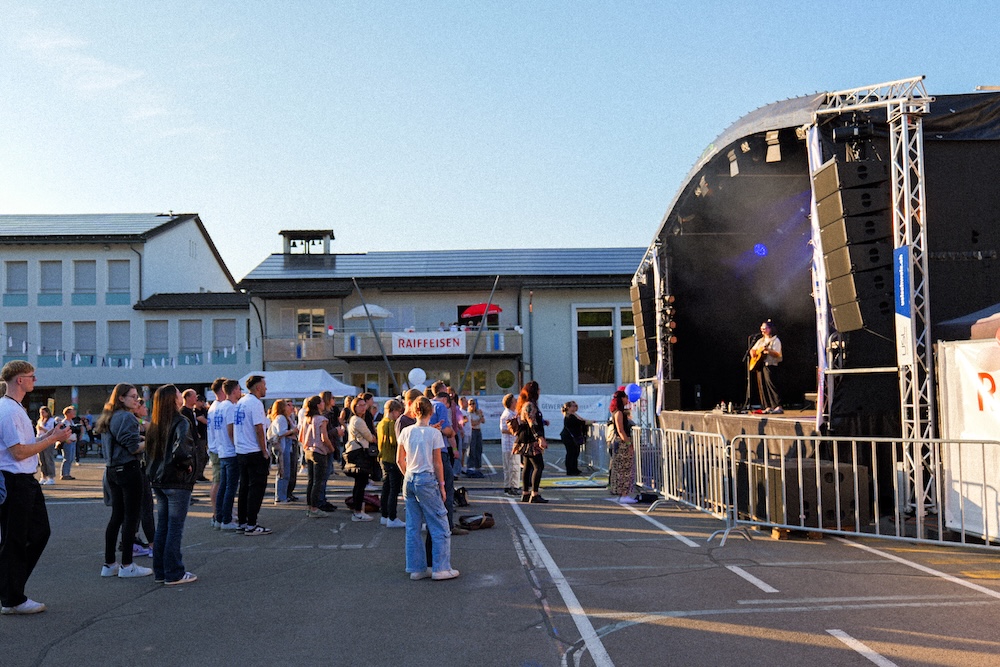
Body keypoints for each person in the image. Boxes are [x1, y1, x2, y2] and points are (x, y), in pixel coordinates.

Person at [0, 361, 71, 614]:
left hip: (24, 479)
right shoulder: (8, 410)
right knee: (16, 539)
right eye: (31, 376)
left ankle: (10, 590)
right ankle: (12, 597)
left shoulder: (15, 407)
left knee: (37, 533)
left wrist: (48, 436)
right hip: (14, 480)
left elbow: (24, 445)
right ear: (19, 379)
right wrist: (52, 439)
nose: (35, 380)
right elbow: (18, 452)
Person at [397, 397, 458, 581]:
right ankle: (441, 568)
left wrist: (408, 474)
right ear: (431, 412)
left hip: (410, 478)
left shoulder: (406, 431)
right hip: (427, 478)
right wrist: (442, 485)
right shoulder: (434, 434)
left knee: (413, 527)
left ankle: (417, 569)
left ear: (414, 412)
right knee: (440, 523)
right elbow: (438, 463)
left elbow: (399, 459)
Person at [95, 383, 153, 578]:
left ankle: (109, 563)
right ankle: (127, 565)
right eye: (133, 396)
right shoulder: (126, 417)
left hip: (112, 470)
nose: (137, 400)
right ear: (121, 397)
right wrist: (152, 441)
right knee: (131, 517)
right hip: (128, 469)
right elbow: (133, 447)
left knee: (117, 517)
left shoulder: (109, 416)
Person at [145, 384, 197, 585]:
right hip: (176, 479)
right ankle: (174, 572)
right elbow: (182, 450)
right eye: (177, 393)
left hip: (158, 479)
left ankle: (161, 571)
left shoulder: (155, 423)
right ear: (173, 399)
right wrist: (187, 465)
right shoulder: (181, 421)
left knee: (163, 527)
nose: (180, 395)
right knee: (174, 528)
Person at [233, 375, 272, 536]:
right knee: (256, 489)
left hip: (241, 451)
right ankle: (251, 524)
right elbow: (259, 429)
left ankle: (242, 522)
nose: (266, 388)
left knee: (244, 488)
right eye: (264, 385)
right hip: (254, 451)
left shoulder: (241, 402)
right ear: (258, 387)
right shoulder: (255, 403)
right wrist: (264, 451)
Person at [300, 395, 335, 518]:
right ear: (318, 405)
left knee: (311, 481)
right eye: (321, 402)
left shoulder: (307, 418)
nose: (323, 404)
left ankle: (310, 507)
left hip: (308, 450)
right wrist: (331, 448)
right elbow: (324, 437)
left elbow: (301, 436)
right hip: (319, 451)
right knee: (318, 481)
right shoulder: (321, 419)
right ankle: (315, 508)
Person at [213, 379, 241, 531]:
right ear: (234, 390)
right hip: (230, 451)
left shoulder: (220, 406)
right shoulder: (230, 407)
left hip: (222, 450)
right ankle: (227, 519)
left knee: (223, 486)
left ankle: (219, 518)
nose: (240, 392)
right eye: (239, 389)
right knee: (230, 487)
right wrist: (237, 446)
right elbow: (231, 430)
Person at [515, 381, 549, 503]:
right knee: (538, 466)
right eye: (538, 389)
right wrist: (540, 438)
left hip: (525, 439)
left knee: (528, 466)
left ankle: (525, 493)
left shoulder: (525, 404)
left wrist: (543, 422)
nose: (539, 391)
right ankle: (534, 494)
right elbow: (531, 422)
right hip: (531, 440)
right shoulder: (530, 405)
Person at [345, 396, 375, 521]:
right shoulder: (358, 420)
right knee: (360, 483)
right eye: (360, 405)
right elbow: (369, 437)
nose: (363, 408)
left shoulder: (354, 419)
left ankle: (358, 509)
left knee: (359, 483)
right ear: (354, 407)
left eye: (364, 405)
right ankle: (358, 511)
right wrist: (374, 438)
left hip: (355, 451)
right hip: (359, 452)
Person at [377, 399, 404, 527]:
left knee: (386, 488)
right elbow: (394, 441)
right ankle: (392, 517)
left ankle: (384, 515)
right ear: (393, 411)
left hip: (383, 458)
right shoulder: (392, 423)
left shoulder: (381, 423)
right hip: (392, 459)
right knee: (394, 489)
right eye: (398, 412)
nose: (399, 414)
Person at [607, 389, 636, 504]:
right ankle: (624, 493)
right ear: (621, 399)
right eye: (625, 397)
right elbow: (620, 430)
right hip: (622, 443)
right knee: (624, 468)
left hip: (620, 442)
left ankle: (622, 493)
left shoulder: (617, 412)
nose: (627, 400)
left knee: (620, 468)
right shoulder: (618, 413)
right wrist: (628, 443)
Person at [750, 319, 783, 414]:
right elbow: (753, 349)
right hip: (760, 365)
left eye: (765, 328)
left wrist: (768, 351)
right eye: (762, 328)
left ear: (770, 329)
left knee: (771, 385)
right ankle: (767, 406)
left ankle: (777, 406)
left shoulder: (775, 340)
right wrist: (753, 353)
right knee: (762, 386)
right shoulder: (761, 341)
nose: (763, 330)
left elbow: (778, 354)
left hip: (770, 365)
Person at [268, 399, 297, 504]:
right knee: (283, 472)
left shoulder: (286, 418)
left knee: (286, 472)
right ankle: (280, 497)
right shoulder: (281, 418)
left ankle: (284, 495)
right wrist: (292, 431)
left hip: (285, 446)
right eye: (286, 405)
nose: (289, 407)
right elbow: (281, 432)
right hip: (282, 447)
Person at [205, 378, 226, 522]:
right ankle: (216, 512)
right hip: (218, 449)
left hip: (216, 447)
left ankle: (219, 511)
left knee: (219, 482)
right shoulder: (218, 407)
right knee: (218, 482)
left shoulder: (214, 406)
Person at [498, 393, 521, 496]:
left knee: (509, 467)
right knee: (513, 467)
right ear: (511, 403)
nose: (516, 402)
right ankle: (513, 486)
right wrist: (515, 431)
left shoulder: (513, 413)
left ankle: (508, 485)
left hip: (511, 444)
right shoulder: (508, 414)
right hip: (510, 444)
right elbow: (503, 429)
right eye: (515, 401)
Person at [559, 401, 589, 476]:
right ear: (568, 407)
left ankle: (575, 468)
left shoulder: (573, 415)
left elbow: (581, 420)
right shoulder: (569, 416)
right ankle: (570, 470)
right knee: (571, 453)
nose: (575, 407)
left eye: (576, 405)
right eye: (573, 406)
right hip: (568, 437)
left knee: (575, 452)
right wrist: (590, 422)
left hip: (573, 437)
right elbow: (581, 422)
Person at [35, 407, 57, 485]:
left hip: (48, 441)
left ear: (47, 413)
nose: (42, 414)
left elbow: (52, 431)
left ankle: (51, 477)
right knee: (42, 460)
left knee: (48, 459)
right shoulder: (40, 421)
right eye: (40, 413)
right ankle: (43, 476)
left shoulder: (52, 421)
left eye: (43, 412)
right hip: (40, 440)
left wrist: (43, 429)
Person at [57, 406, 80, 480]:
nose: (74, 413)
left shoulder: (71, 422)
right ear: (67, 413)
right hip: (67, 442)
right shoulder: (64, 422)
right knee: (67, 458)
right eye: (72, 412)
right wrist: (66, 440)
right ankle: (64, 474)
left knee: (71, 458)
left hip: (73, 441)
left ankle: (67, 473)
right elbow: (62, 432)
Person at [465, 398, 484, 476]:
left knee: (479, 448)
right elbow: (473, 423)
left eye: (473, 404)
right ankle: (470, 465)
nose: (472, 405)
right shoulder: (468, 414)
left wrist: (481, 415)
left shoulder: (478, 413)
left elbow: (483, 421)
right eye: (470, 404)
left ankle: (478, 465)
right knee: (472, 448)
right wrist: (479, 420)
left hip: (478, 431)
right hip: (472, 431)